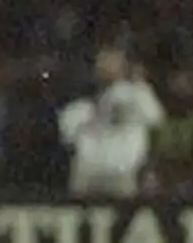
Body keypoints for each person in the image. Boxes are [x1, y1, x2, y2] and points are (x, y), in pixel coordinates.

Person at [56, 47, 165, 199]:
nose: (107, 66)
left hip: (125, 174)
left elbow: (156, 121)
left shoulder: (137, 94)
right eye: (103, 61)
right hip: (88, 176)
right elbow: (67, 138)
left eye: (113, 61)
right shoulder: (77, 108)